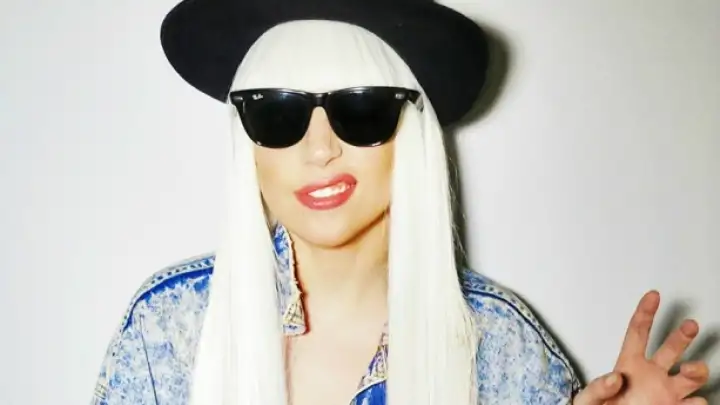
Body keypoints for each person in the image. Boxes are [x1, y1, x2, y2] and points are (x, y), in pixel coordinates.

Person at [89, 0, 711, 404]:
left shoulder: (499, 344)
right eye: (277, 113)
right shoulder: (170, 329)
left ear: (412, 136)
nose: (320, 148)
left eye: (362, 109)